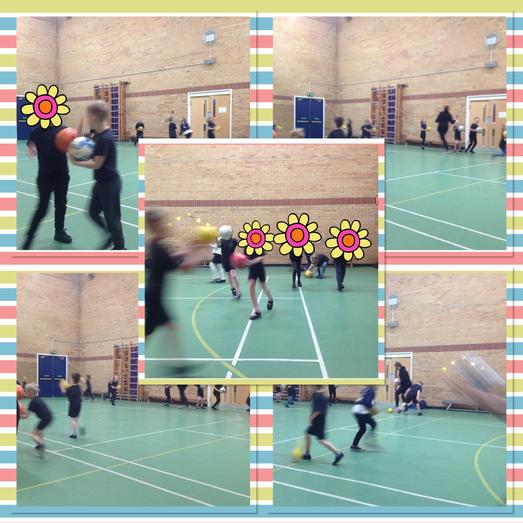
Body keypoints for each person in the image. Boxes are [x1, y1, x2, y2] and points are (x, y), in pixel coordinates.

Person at [68, 101, 125, 250]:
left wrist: (75, 162)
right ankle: (109, 236)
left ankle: (120, 249)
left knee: (112, 219)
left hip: (110, 184)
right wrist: (80, 123)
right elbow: (79, 140)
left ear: (93, 117)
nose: (87, 119)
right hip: (101, 182)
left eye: (88, 116)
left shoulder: (105, 138)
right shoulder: (98, 134)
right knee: (92, 212)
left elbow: (96, 164)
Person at [145, 208, 204, 340]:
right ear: (155, 224)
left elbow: (171, 257)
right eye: (163, 222)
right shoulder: (159, 248)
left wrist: (189, 248)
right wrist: (199, 253)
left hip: (154, 295)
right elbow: (185, 268)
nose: (167, 224)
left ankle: (173, 357)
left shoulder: (154, 243)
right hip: (153, 298)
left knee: (170, 327)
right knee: (147, 333)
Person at [21, 124, 72, 249]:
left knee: (61, 204)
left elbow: (72, 147)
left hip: (62, 175)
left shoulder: (63, 130)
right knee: (42, 208)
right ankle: (29, 237)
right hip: (45, 176)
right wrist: (32, 149)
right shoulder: (36, 132)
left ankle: (59, 232)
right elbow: (31, 146)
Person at [302, 385, 344, 465]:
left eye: (312, 386)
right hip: (320, 420)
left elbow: (317, 410)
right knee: (307, 433)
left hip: (318, 420)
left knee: (321, 440)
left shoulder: (318, 396)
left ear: (315, 386)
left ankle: (338, 453)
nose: (310, 388)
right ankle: (307, 454)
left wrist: (311, 418)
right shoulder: (322, 396)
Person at [22, 383, 53, 454]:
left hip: (45, 419)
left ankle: (41, 444)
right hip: (48, 417)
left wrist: (17, 416)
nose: (25, 394)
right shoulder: (37, 399)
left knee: (33, 435)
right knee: (39, 431)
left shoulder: (32, 402)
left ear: (30, 392)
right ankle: (40, 443)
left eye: (26, 392)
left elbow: (26, 416)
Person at [245, 250, 274, 320]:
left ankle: (270, 298)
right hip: (251, 269)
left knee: (264, 287)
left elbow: (261, 257)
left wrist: (251, 262)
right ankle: (257, 311)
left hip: (260, 268)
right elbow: (244, 257)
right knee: (251, 286)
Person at [351, 385, 377, 452]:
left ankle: (354, 445)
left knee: (363, 428)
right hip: (361, 412)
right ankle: (369, 441)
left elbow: (360, 399)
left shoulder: (367, 389)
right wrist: (372, 410)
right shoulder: (371, 391)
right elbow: (367, 403)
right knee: (373, 424)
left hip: (356, 410)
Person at [220, 229, 241, 299]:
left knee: (234, 276)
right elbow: (218, 245)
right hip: (224, 259)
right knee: (229, 275)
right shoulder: (222, 240)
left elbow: (241, 243)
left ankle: (239, 291)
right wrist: (214, 237)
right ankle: (232, 288)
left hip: (232, 259)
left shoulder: (234, 241)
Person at [62, 373, 82, 439]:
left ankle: (74, 434)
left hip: (73, 405)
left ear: (73, 379)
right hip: (79, 404)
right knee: (75, 419)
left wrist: (61, 387)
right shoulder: (79, 387)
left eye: (71, 378)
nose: (70, 379)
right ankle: (76, 430)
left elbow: (64, 393)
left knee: (73, 419)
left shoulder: (70, 388)